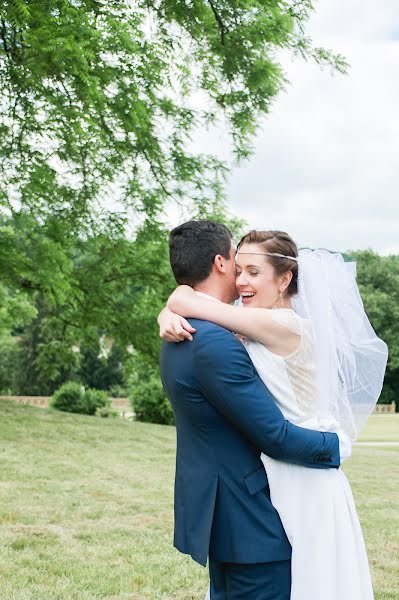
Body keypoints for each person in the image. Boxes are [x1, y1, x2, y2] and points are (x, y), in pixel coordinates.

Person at [160, 225, 388, 600]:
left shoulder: (281, 325)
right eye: (239, 270)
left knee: (314, 583)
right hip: (276, 473)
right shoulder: (248, 321)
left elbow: (188, 301)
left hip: (306, 471)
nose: (242, 281)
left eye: (253, 272)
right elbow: (196, 303)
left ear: (284, 279)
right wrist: (167, 313)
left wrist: (169, 311)